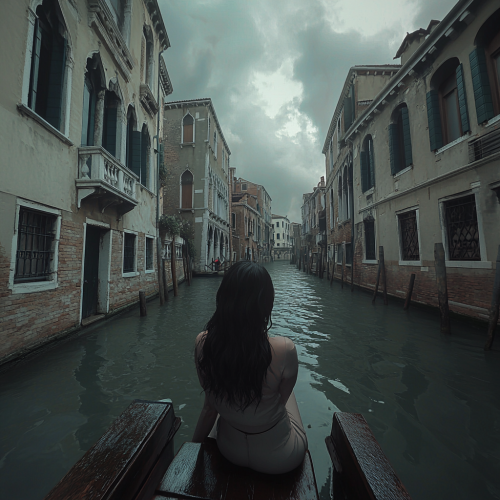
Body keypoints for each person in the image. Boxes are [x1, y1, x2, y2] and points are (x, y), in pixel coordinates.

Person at [192, 261, 308, 474]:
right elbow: (281, 401)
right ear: (267, 303)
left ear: (223, 297)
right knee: (287, 397)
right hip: (281, 457)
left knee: (224, 392)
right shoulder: (284, 349)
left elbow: (210, 407)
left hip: (230, 450)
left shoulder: (202, 343)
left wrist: (193, 449)